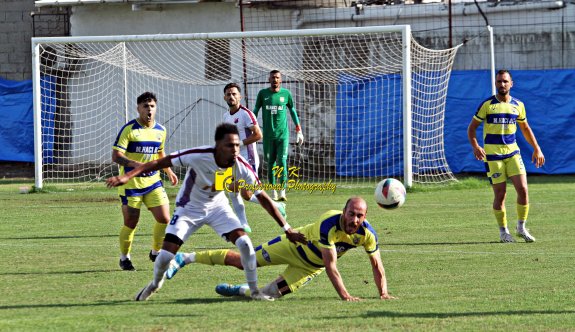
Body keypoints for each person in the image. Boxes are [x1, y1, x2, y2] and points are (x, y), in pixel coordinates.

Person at [106, 123, 307, 301]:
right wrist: (128, 176)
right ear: (218, 146)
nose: (235, 149)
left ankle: (254, 291)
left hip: (218, 207)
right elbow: (158, 162)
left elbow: (263, 197)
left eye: (237, 145)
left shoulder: (241, 165)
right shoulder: (199, 155)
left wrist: (287, 228)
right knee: (165, 257)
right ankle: (155, 284)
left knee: (245, 244)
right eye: (230, 145)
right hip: (188, 209)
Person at [165, 197, 396, 302]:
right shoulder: (329, 223)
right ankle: (186, 257)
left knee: (265, 295)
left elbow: (377, 265)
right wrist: (345, 296)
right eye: (351, 213)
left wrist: (383, 292)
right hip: (291, 247)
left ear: (365, 217)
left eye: (359, 216)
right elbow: (331, 266)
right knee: (244, 261)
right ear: (343, 211)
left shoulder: (367, 235)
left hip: (308, 269)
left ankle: (241, 290)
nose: (354, 219)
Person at [467, 69, 545, 243]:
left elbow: (525, 128)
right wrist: (476, 146)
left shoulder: (518, 105)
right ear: (495, 84)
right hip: (493, 157)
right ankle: (503, 232)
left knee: (523, 190)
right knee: (500, 195)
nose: (502, 84)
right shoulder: (487, 105)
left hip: (513, 154)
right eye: (499, 81)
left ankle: (521, 227)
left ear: (511, 84)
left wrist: (537, 148)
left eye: (505, 81)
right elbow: (471, 128)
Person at [112, 91, 178, 271]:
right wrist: (134, 164)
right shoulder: (130, 129)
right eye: (145, 106)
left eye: (152, 106)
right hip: (131, 184)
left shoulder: (160, 130)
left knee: (164, 219)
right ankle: (124, 258)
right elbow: (116, 155)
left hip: (153, 182)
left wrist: (168, 171)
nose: (149, 109)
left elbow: (160, 154)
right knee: (131, 222)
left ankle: (156, 252)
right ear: (138, 108)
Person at [222, 83, 286, 233]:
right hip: (232, 160)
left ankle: (276, 206)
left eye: (234, 94)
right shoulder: (225, 116)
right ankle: (243, 224)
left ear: (240, 96)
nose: (231, 96)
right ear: (224, 97)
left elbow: (258, 135)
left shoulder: (246, 114)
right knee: (231, 190)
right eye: (228, 94)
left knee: (247, 194)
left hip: (247, 159)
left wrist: (239, 144)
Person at [253, 70, 304, 201]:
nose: (275, 79)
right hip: (268, 136)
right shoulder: (262, 94)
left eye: (277, 77)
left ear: (280, 80)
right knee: (271, 163)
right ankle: (273, 191)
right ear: (269, 79)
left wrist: (299, 130)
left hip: (283, 135)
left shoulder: (286, 94)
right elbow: (255, 111)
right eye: (273, 77)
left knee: (282, 161)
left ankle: (282, 191)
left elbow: (292, 110)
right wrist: (252, 127)